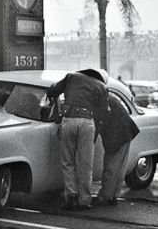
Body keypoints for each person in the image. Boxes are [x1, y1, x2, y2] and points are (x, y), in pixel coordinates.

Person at [47, 68, 110, 211]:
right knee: (85, 164)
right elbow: (104, 113)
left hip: (68, 119)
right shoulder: (102, 87)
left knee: (68, 161)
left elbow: (53, 91)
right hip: (87, 122)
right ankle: (85, 200)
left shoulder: (71, 77)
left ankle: (71, 197)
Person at [93, 96, 140, 206]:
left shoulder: (97, 101)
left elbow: (97, 123)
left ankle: (105, 196)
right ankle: (113, 196)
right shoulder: (107, 96)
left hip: (116, 135)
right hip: (127, 131)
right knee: (120, 168)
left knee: (111, 167)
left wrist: (91, 142)